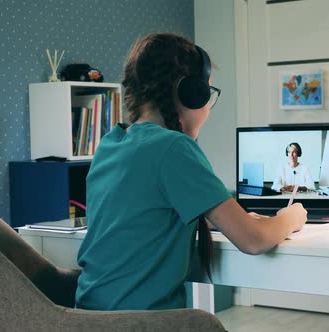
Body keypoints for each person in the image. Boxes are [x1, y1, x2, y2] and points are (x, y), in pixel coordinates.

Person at [74, 32, 307, 311]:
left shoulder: (112, 142)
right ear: (191, 93)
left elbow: (140, 216)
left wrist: (224, 218)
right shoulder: (173, 147)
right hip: (138, 323)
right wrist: (290, 217)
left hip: (87, 317)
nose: (208, 107)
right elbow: (253, 240)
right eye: (208, 93)